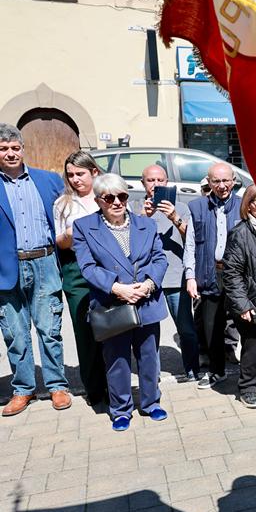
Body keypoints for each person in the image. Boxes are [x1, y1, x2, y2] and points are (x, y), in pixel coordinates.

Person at [72, 174, 169, 431]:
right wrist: (117, 288)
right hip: (112, 303)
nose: (117, 202)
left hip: (146, 299)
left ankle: (151, 403)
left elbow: (160, 259)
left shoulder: (146, 225)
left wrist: (149, 284)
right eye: (109, 198)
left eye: (122, 196)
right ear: (99, 201)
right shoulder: (84, 227)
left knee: (149, 356)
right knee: (117, 360)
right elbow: (87, 267)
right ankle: (121, 409)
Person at [0, 123, 70, 418]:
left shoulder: (48, 180)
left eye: (15, 148)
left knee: (49, 329)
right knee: (15, 332)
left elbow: (69, 214)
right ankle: (23, 389)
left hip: (45, 262)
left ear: (23, 150)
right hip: (6, 267)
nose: (10, 153)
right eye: (3, 149)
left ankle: (57, 385)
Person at [132, 164, 200, 381]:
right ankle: (152, 374)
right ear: (143, 183)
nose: (156, 185)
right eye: (151, 180)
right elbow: (128, 241)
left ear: (167, 182)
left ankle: (192, 368)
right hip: (145, 279)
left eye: (160, 180)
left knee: (186, 328)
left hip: (174, 276)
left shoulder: (180, 206)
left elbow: (193, 239)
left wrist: (174, 217)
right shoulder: (134, 207)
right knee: (149, 333)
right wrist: (143, 216)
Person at [53, 151, 107, 407]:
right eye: (70, 175)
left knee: (112, 328)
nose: (75, 180)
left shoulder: (107, 197)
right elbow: (59, 243)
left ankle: (115, 385)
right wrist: (68, 234)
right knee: (85, 331)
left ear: (94, 172)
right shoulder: (63, 204)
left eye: (80, 174)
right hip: (76, 270)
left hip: (107, 266)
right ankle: (94, 390)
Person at [184, 163, 241, 389]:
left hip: (238, 275)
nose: (221, 186)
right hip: (209, 273)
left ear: (234, 180)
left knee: (246, 325)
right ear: (208, 182)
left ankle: (250, 375)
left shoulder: (242, 206)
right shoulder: (196, 207)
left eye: (226, 180)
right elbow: (190, 245)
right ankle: (217, 371)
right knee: (211, 327)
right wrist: (190, 276)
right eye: (216, 181)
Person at [222, 184, 256, 409]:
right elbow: (231, 273)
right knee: (253, 348)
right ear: (248, 205)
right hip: (251, 301)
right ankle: (248, 387)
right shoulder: (240, 233)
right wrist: (242, 304)